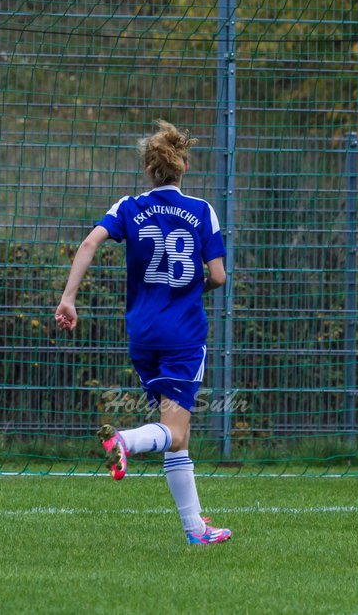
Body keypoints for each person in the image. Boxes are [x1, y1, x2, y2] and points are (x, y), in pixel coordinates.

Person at [54, 120, 231, 545]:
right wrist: (193, 289)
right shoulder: (202, 210)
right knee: (176, 430)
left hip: (143, 334)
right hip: (183, 334)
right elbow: (220, 276)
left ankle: (195, 530)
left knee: (177, 438)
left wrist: (68, 299)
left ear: (148, 169)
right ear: (184, 166)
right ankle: (125, 441)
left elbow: (88, 244)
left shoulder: (129, 206)